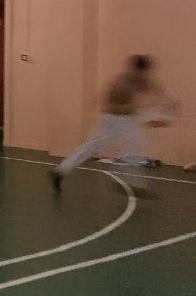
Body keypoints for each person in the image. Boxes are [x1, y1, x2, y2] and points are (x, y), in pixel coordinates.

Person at [51, 55, 174, 193]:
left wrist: (164, 110)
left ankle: (60, 171)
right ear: (136, 70)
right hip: (112, 118)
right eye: (142, 72)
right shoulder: (120, 82)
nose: (144, 75)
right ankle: (60, 171)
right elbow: (111, 106)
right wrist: (142, 112)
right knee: (96, 147)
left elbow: (157, 93)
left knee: (136, 146)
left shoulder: (142, 80)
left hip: (123, 119)